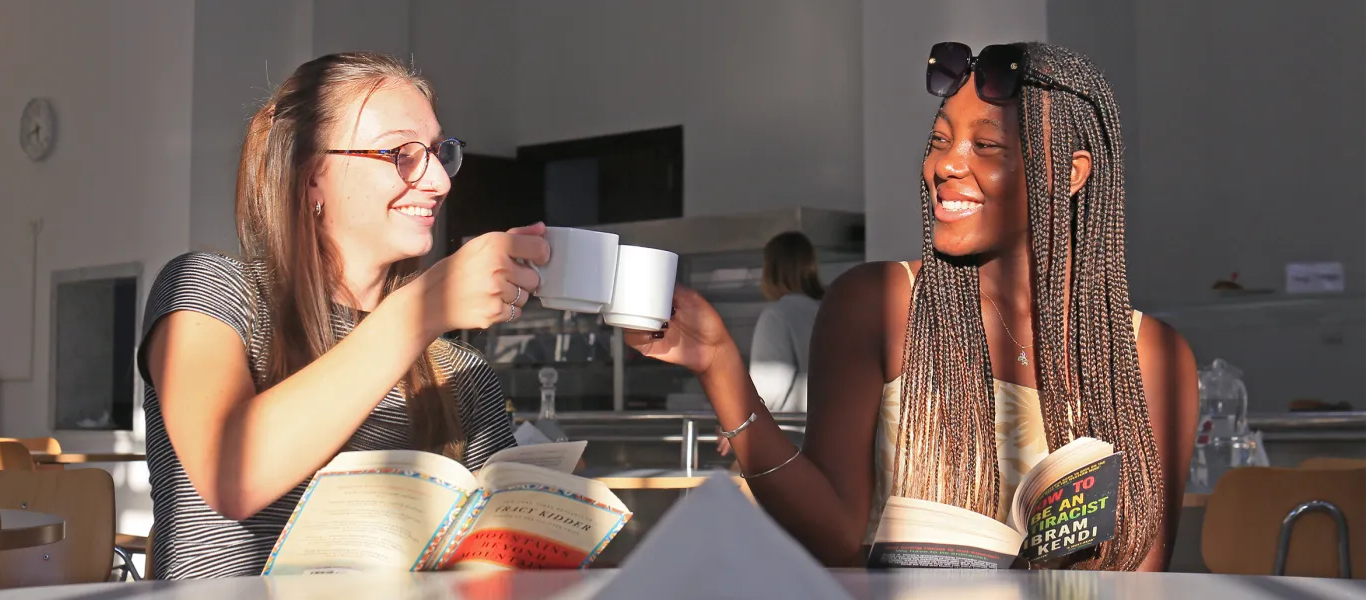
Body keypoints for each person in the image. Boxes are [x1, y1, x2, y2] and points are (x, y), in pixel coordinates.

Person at [629, 42, 1198, 571]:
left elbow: (1145, 576)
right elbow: (831, 539)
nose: (946, 165)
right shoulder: (878, 304)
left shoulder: (1151, 356)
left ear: (1068, 174)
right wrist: (721, 367)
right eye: (939, 140)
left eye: (988, 144)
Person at [137, 52, 549, 579]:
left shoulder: (461, 372)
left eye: (439, 153)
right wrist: (421, 309)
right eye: (401, 153)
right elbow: (230, 473)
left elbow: (491, 566)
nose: (440, 183)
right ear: (312, 178)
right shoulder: (211, 291)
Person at [718, 231, 824, 457]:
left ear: (771, 270)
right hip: (829, 434)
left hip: (789, 441)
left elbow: (768, 387)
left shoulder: (777, 315)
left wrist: (737, 425)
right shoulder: (830, 308)